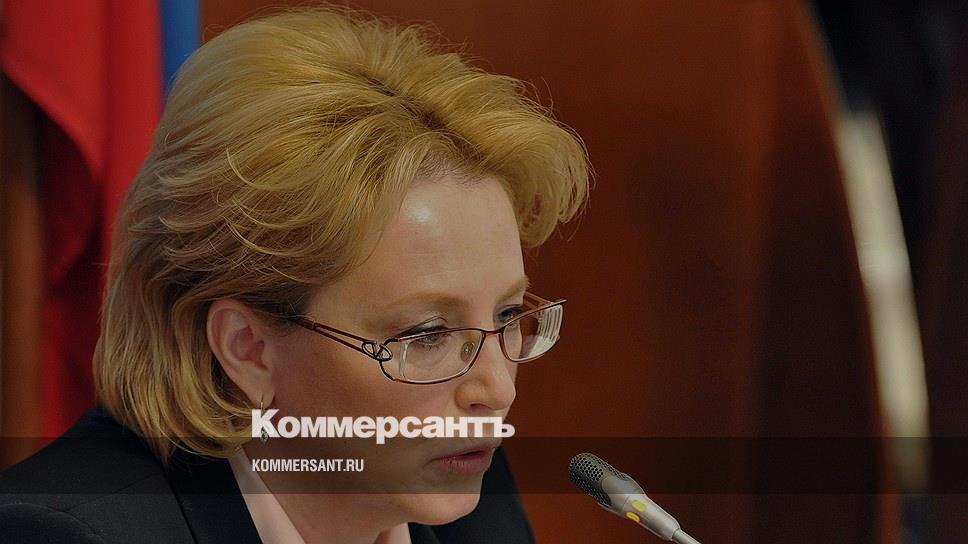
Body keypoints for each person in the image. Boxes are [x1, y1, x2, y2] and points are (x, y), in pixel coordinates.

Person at [0, 6, 588, 543]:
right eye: (427, 334)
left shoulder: (468, 499)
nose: (498, 391)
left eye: (508, 315)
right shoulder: (68, 535)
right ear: (247, 348)